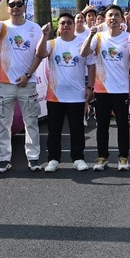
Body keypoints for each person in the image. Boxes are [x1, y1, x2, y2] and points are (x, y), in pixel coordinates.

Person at [0, 0, 45, 173]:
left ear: (23, 7)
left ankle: (33, 158)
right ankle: (4, 159)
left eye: (19, 4)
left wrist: (28, 75)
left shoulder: (34, 28)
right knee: (4, 124)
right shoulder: (3, 27)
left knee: (31, 122)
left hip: (26, 83)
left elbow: (39, 54)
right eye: (11, 5)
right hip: (5, 83)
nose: (15, 7)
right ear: (7, 8)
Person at [81, 5, 130, 171]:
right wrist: (90, 34)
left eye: (116, 15)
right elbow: (84, 53)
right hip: (102, 89)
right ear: (105, 19)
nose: (113, 18)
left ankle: (123, 157)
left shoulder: (128, 37)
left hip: (121, 89)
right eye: (110, 15)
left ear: (122, 19)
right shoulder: (98, 36)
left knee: (122, 125)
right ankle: (102, 157)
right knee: (102, 125)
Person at [42, 13, 89, 171]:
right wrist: (44, 35)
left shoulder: (83, 43)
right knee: (54, 129)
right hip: (55, 95)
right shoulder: (52, 43)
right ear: (58, 27)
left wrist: (90, 88)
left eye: (69, 22)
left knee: (77, 129)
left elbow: (92, 65)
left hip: (76, 95)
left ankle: (78, 158)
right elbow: (39, 53)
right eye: (62, 23)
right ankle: (53, 159)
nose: (66, 25)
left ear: (74, 26)